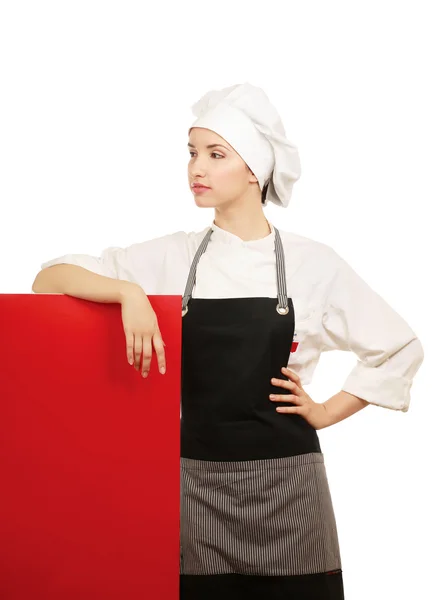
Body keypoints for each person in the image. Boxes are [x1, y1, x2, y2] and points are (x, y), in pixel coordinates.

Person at [32, 82, 424, 599]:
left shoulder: (312, 264)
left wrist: (327, 411)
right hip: (197, 487)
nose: (197, 168)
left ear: (254, 170)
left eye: (217, 154)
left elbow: (400, 347)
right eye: (192, 153)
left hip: (291, 492)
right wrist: (127, 292)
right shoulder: (172, 257)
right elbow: (49, 279)